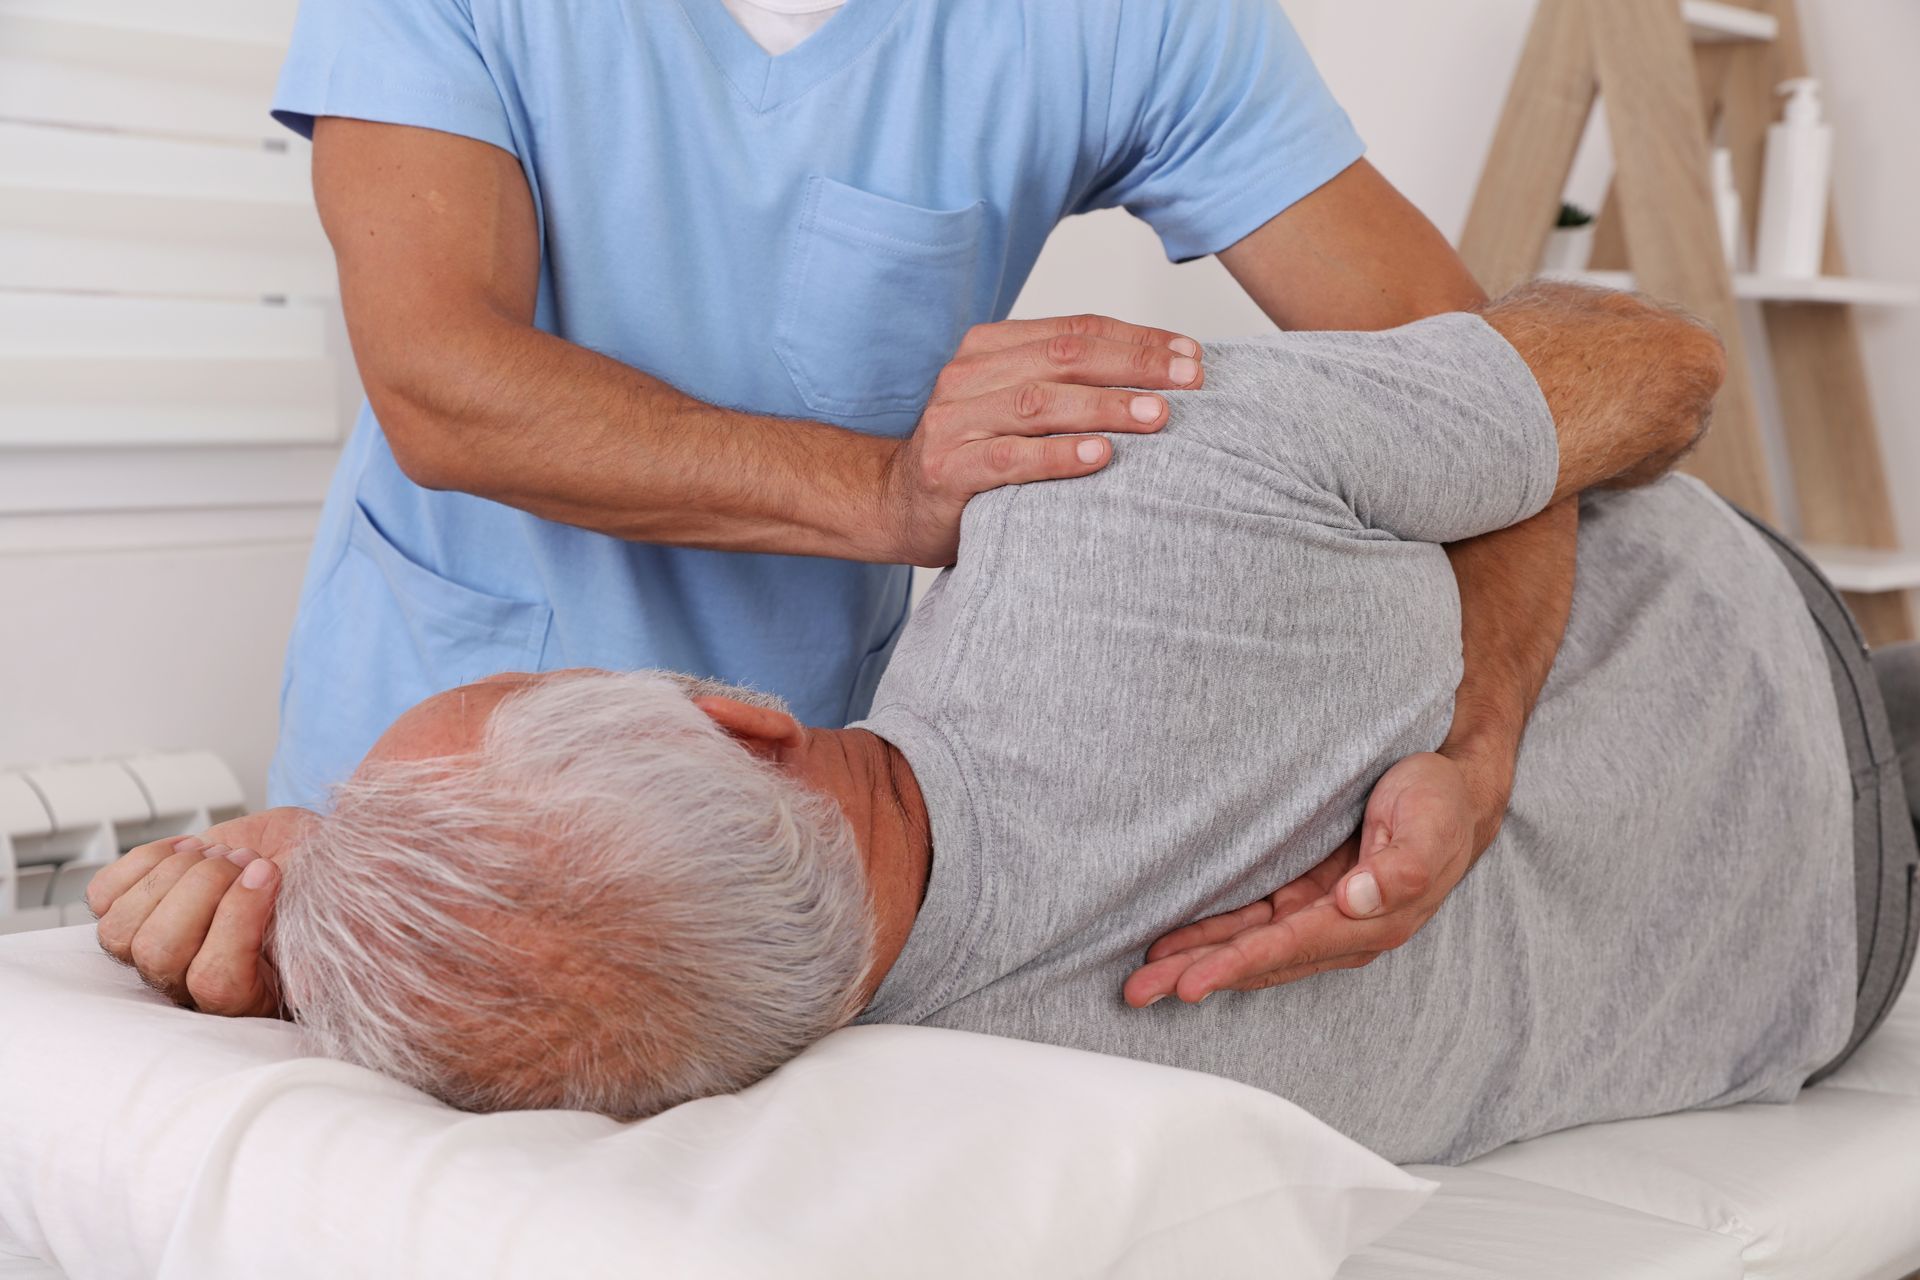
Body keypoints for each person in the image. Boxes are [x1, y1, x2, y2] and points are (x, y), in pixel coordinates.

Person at [90, 284, 1920, 1166]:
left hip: (1819, 986)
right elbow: (1663, 365)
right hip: (1781, 670)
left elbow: (553, 978)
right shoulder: (1107, 480)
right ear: (739, 722)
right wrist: (1488, 731)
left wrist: (331, 920)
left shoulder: (943, 1118)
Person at [267, 2, 1589, 983]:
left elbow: (1484, 385)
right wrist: (892, 493)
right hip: (427, 789)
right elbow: (444, 384)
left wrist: (1475, 755)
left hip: (797, 840)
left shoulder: (1135, 23)